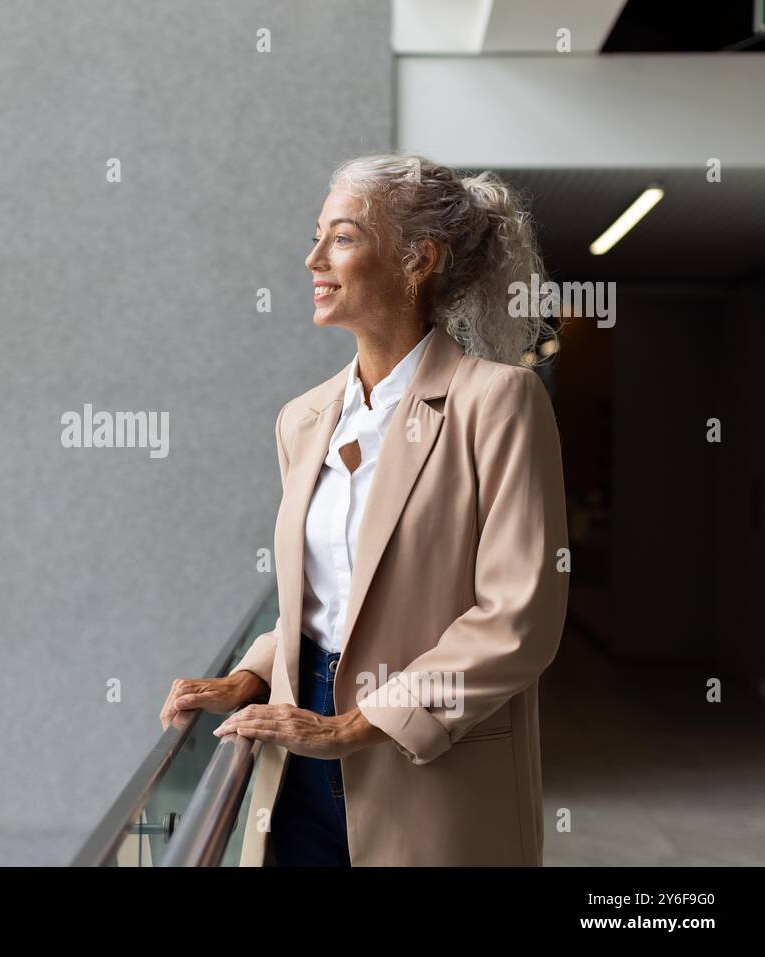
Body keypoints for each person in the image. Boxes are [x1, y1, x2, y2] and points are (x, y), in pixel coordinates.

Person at [159, 153, 569, 866]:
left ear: (419, 260)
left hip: (430, 760)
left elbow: (519, 616)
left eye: (342, 238)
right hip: (294, 753)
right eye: (317, 236)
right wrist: (251, 674)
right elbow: (324, 599)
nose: (313, 257)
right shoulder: (303, 419)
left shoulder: (498, 403)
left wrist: (354, 724)